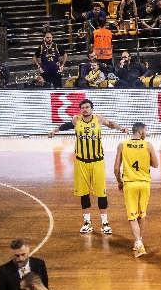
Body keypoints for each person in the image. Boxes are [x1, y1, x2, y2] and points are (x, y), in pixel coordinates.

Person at [48, 98, 128, 234]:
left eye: (87, 107)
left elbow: (111, 124)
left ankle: (105, 223)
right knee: (83, 193)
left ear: (92, 109)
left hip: (97, 162)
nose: (85, 109)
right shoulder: (76, 120)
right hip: (81, 162)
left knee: (101, 193)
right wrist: (54, 131)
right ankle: (87, 222)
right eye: (82, 108)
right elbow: (66, 125)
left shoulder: (99, 119)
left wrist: (122, 128)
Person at [114, 122, 159, 257]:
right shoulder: (148, 145)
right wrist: (145, 160)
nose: (145, 133)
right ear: (140, 132)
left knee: (132, 216)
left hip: (130, 184)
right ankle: (138, 241)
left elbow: (116, 168)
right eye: (145, 131)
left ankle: (139, 244)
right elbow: (156, 164)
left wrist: (119, 182)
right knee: (142, 214)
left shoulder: (122, 145)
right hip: (144, 184)